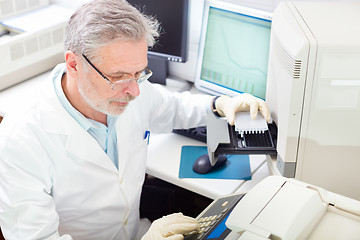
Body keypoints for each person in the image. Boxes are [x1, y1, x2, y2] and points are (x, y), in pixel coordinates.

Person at [0, 0, 270, 239]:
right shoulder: (21, 140)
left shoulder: (129, 89)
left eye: (140, 72)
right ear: (73, 64)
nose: (135, 90)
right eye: (118, 77)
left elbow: (174, 106)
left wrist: (219, 103)